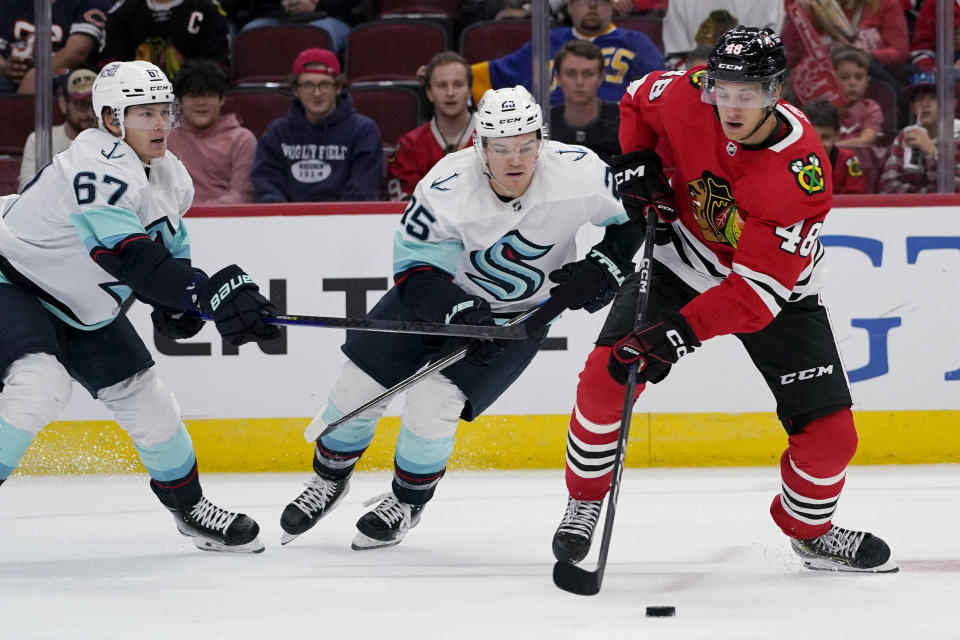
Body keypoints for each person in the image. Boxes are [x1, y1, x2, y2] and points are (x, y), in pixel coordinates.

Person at [551, 26, 898, 573]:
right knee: (604, 378)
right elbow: (635, 96)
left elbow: (754, 298)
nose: (731, 106)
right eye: (723, 89)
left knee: (832, 438)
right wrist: (638, 158)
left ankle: (810, 531)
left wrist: (677, 335)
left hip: (773, 291)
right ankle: (585, 500)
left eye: (749, 93)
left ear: (776, 91)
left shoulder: (798, 174)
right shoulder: (688, 92)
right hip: (680, 259)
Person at [278, 85, 646, 551]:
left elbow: (631, 217)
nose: (516, 160)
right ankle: (330, 479)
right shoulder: (446, 186)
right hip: (435, 304)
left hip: (519, 318)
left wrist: (606, 265)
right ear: (480, 146)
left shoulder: (579, 171)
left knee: (435, 398)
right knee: (358, 386)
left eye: (527, 145)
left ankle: (406, 502)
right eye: (502, 148)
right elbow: (416, 274)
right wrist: (460, 312)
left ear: (542, 140)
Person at [0, 60, 281, 553]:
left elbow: (167, 248)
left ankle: (190, 510)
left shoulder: (171, 176)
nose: (160, 123)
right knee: (39, 386)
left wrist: (178, 307)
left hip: (83, 309)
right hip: (13, 281)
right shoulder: (93, 165)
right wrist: (202, 290)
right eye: (144, 113)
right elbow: (126, 255)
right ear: (111, 119)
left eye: (163, 111)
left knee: (149, 400)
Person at [470, 0, 665, 106]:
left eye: (601, 0)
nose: (592, 4)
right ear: (569, 6)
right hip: (552, 136)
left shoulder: (635, 42)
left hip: (616, 135)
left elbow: (661, 93)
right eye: (583, 0)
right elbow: (488, 76)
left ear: (611, 6)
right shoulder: (546, 42)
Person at [251, 48, 382, 202]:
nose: (317, 93)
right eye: (307, 85)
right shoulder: (277, 132)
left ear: (338, 87)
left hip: (344, 222)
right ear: (296, 89)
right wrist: (286, 219)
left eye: (324, 84)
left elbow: (363, 190)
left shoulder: (363, 130)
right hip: (287, 222)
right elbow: (266, 184)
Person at [387, 52, 474, 202]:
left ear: (469, 91)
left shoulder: (493, 138)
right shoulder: (409, 146)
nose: (450, 93)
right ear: (429, 93)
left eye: (458, 85)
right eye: (441, 85)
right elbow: (405, 208)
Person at [166, 59, 256, 204]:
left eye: (209, 95)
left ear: (222, 99)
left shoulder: (242, 139)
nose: (201, 102)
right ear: (180, 101)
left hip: (226, 221)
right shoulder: (164, 137)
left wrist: (205, 215)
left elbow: (241, 194)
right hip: (174, 220)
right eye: (194, 95)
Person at [99, 0, 231, 81]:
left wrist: (187, 69)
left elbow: (220, 68)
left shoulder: (208, 9)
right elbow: (109, 68)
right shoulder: (121, 13)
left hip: (192, 94)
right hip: (137, 97)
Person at [0, 0, 111, 94]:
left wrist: (38, 74)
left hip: (60, 72)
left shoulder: (88, 2)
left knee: (71, 83)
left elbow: (77, 51)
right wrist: (5, 66)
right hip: (12, 73)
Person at [878, 73, 960, 194]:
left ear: (951, 104)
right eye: (919, 99)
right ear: (912, 107)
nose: (925, 105)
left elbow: (955, 190)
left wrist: (932, 153)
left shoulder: (957, 136)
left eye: (934, 97)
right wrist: (930, 194)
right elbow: (887, 187)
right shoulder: (906, 136)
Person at [18, 68, 99, 192]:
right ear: (63, 103)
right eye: (81, 104)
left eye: (95, 104)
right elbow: (26, 190)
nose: (90, 113)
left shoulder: (113, 141)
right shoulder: (39, 140)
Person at [549, 40, 621, 164]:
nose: (579, 82)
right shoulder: (544, 122)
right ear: (558, 78)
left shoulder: (621, 120)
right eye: (571, 74)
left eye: (588, 74)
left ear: (600, 77)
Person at [804, 98, 868, 194]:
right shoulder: (790, 162)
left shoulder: (848, 162)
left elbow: (856, 201)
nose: (819, 145)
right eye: (812, 137)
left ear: (837, 135)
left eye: (825, 137)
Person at [831, 47, 882, 147]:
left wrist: (829, 147)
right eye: (845, 78)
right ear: (833, 80)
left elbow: (864, 141)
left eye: (858, 77)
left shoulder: (871, 108)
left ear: (867, 82)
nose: (852, 83)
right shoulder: (825, 109)